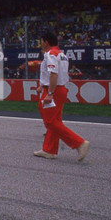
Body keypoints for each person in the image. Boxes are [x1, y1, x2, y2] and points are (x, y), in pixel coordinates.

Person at [34, 32, 90, 161]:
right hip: (60, 89)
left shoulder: (50, 54)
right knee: (55, 120)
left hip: (53, 90)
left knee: (50, 121)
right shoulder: (62, 55)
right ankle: (48, 150)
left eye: (41, 41)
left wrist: (49, 93)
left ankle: (79, 143)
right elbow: (53, 74)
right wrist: (43, 86)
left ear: (46, 41)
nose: (40, 43)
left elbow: (54, 75)